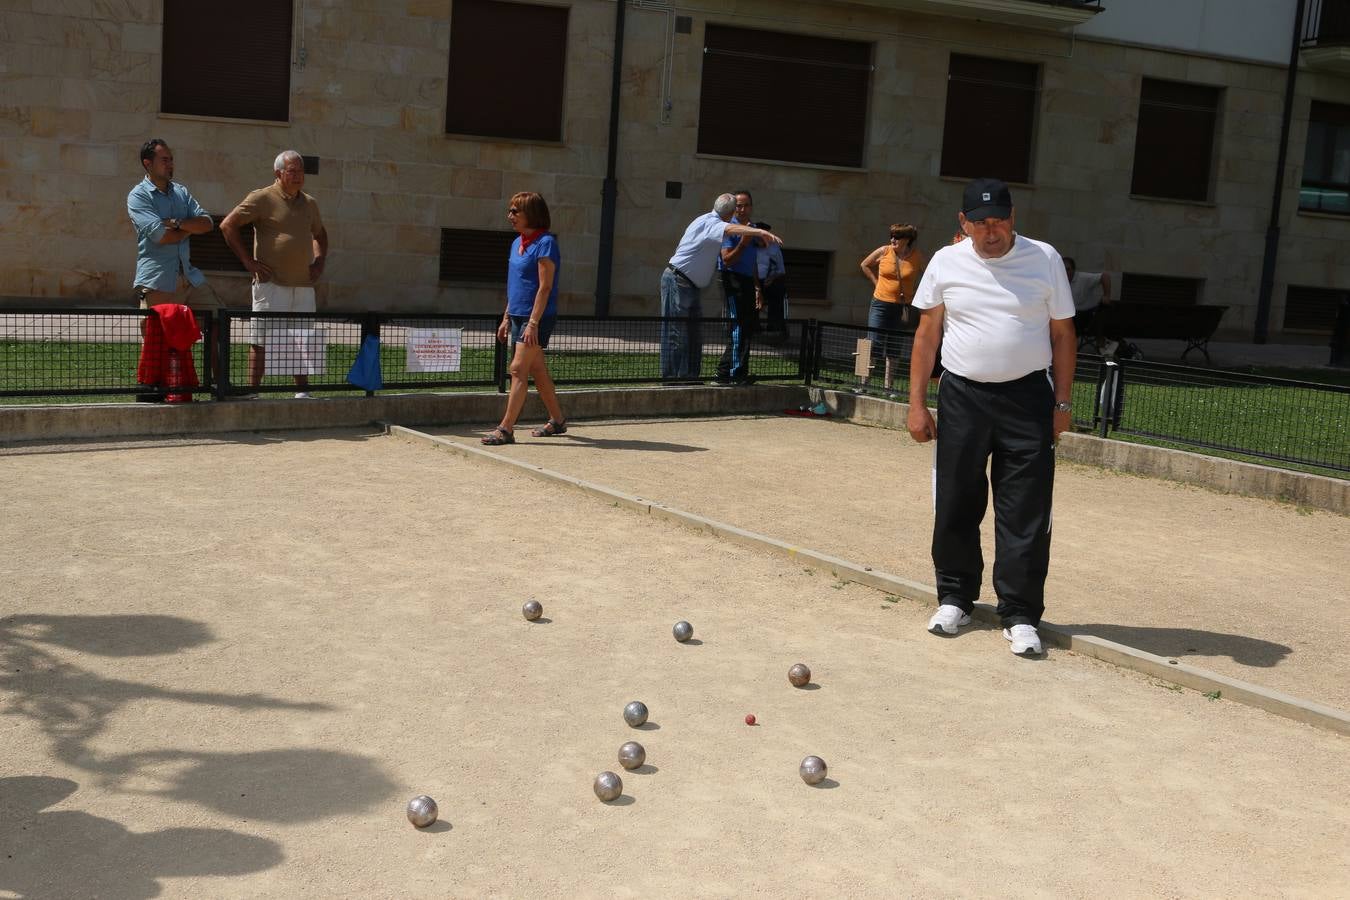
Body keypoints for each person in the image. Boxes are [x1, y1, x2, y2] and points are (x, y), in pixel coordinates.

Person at [906, 178, 1077, 658]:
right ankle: (955, 598)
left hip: (1027, 399)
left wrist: (1061, 404)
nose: (991, 230)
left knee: (1024, 509)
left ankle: (1020, 614)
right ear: (964, 223)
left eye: (999, 220)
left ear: (1013, 217)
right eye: (980, 222)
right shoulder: (945, 261)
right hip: (963, 395)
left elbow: (1063, 334)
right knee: (957, 499)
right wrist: (917, 403)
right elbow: (926, 333)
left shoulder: (1044, 259)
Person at [220, 150, 328, 399]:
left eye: (301, 171)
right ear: (278, 173)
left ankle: (302, 394)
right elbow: (228, 225)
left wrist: (319, 262)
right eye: (292, 171)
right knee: (261, 341)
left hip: (303, 287)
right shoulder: (262, 198)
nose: (298, 176)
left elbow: (320, 235)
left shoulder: (310, 203)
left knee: (303, 340)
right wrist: (248, 262)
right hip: (271, 285)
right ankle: (253, 394)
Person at [126, 139, 219, 396]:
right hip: (157, 279)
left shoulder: (181, 192)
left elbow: (207, 223)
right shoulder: (138, 196)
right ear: (148, 163)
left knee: (218, 320)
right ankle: (155, 389)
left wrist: (176, 222)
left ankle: (219, 383)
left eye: (171, 159)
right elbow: (159, 236)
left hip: (188, 276)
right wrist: (187, 229)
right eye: (164, 160)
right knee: (158, 340)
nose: (170, 164)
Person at [659, 194, 780, 382]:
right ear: (731, 213)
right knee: (676, 332)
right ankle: (671, 379)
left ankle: (690, 377)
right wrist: (758, 232)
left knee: (693, 334)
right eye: (737, 209)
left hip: (690, 285)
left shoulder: (706, 220)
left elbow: (745, 240)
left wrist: (756, 236)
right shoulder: (713, 224)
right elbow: (730, 230)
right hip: (677, 280)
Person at [480, 192, 566, 445]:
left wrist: (533, 323)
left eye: (515, 211)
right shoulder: (516, 243)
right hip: (518, 315)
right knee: (537, 369)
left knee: (518, 369)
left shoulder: (546, 243)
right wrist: (507, 316)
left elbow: (544, 287)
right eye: (510, 211)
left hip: (536, 318)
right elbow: (516, 284)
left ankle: (505, 429)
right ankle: (558, 420)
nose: (510, 216)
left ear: (532, 213)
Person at [860, 224, 926, 386]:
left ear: (907, 239)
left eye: (897, 237)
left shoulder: (917, 257)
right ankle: (862, 384)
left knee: (895, 346)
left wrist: (918, 293)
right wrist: (876, 283)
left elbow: (930, 275)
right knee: (872, 343)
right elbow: (864, 265)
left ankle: (888, 387)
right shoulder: (884, 251)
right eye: (892, 236)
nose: (892, 239)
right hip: (880, 304)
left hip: (902, 307)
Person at [715, 190, 762, 386]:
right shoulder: (729, 229)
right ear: (733, 208)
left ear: (751, 207)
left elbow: (753, 263)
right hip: (732, 280)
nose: (742, 209)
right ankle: (732, 373)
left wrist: (758, 288)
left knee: (747, 327)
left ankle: (733, 370)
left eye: (746, 205)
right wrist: (743, 243)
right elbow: (726, 260)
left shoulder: (752, 229)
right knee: (738, 327)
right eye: (738, 206)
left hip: (747, 282)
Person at [1064, 257, 1113, 341]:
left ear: (1073, 270)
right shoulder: (1059, 281)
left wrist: (1106, 295)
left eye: (1068, 269)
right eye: (1063, 269)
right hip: (1070, 316)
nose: (1065, 272)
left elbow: (1105, 276)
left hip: (1086, 315)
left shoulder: (1083, 278)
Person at [755, 222, 788, 342]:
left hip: (770, 280)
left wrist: (772, 278)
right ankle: (753, 326)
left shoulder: (774, 248)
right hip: (753, 280)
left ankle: (774, 326)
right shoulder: (749, 247)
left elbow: (781, 270)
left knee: (778, 290)